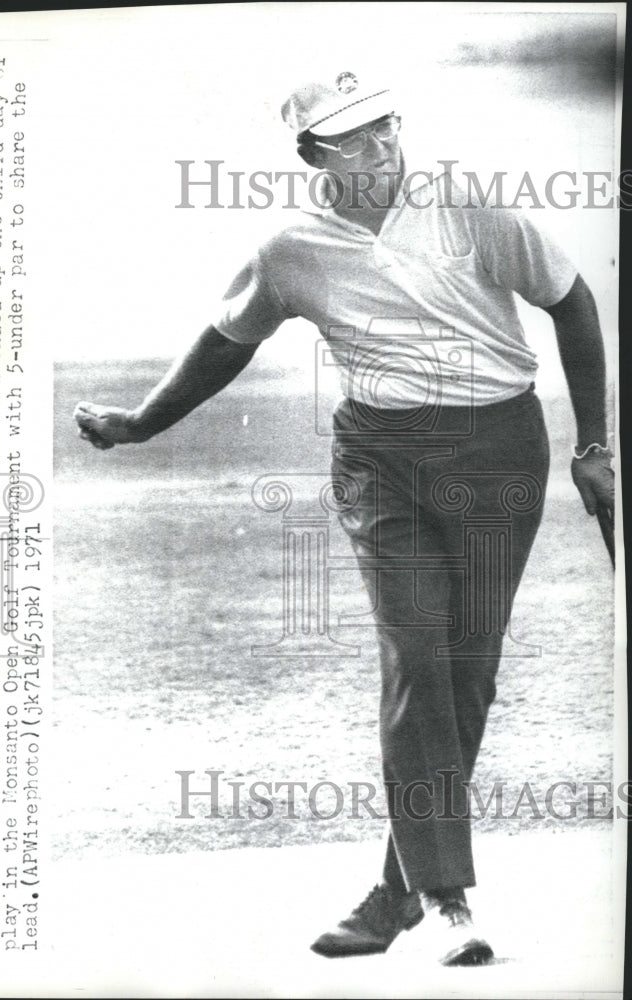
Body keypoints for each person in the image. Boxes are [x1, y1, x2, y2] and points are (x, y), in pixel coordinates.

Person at [74, 73, 614, 966]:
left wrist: (594, 446)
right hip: (379, 462)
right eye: (352, 138)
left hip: (497, 451)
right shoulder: (293, 247)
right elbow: (225, 339)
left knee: (466, 674)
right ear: (312, 155)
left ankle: (395, 892)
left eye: (386, 126)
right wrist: (140, 423)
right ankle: (450, 904)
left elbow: (572, 298)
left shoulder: (470, 206)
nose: (380, 148)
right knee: (416, 657)